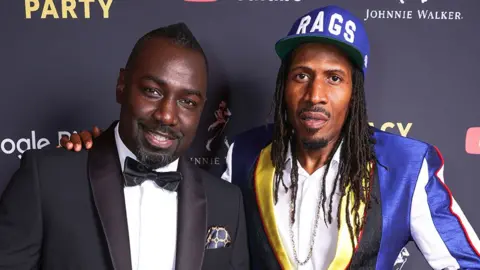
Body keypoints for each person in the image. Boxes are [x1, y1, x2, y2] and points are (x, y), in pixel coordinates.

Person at [58, 5, 480, 270]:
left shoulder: (407, 166)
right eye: (302, 76)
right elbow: (166, 205)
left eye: (334, 79)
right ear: (284, 86)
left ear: (355, 92)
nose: (315, 95)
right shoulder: (241, 153)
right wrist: (99, 154)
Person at [0, 23, 249, 270]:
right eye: (152, 91)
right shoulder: (46, 180)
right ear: (122, 85)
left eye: (187, 101)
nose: (167, 115)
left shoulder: (227, 203)